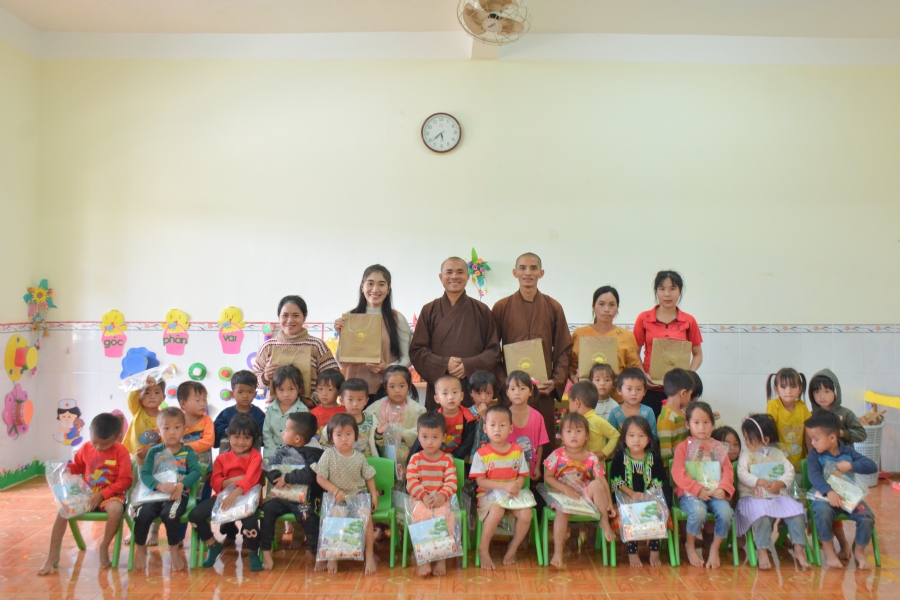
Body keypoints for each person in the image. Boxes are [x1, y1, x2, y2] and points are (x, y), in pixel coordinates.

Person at [493, 253, 573, 452]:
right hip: (511, 391)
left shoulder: (553, 307)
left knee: (542, 443)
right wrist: (504, 383)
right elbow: (492, 349)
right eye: (522, 268)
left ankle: (543, 481)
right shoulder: (501, 307)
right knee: (508, 441)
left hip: (542, 391)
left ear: (541, 273)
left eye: (533, 268)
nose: (528, 273)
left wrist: (555, 381)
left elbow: (563, 349)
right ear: (515, 272)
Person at [38, 414, 133, 575]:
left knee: (116, 510)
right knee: (62, 512)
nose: (99, 448)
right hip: (87, 495)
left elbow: (125, 480)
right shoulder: (86, 448)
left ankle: (104, 546)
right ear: (89, 432)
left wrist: (103, 494)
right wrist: (66, 470)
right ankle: (52, 555)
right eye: (95, 442)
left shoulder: (121, 451)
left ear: (117, 437)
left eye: (105, 444)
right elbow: (78, 466)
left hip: (111, 495)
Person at [410, 257, 501, 410]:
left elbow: (493, 351)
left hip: (471, 388)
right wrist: (444, 364)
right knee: (437, 431)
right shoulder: (429, 310)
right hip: (440, 388)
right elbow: (417, 351)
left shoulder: (482, 310)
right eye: (449, 272)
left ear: (467, 276)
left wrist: (468, 365)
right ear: (441, 277)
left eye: (460, 272)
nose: (454, 276)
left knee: (471, 430)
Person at [189, 414, 264, 571]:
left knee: (250, 523)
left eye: (246, 438)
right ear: (228, 436)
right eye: (236, 437)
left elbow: (250, 480)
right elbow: (216, 482)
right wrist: (236, 480)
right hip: (224, 497)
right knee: (195, 516)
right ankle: (212, 545)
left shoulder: (255, 457)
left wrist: (234, 491)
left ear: (253, 439)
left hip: (248, 498)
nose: (241, 442)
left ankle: (253, 553)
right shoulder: (222, 459)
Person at [131, 407, 202, 572]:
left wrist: (182, 485)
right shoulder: (154, 452)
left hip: (178, 495)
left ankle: (174, 547)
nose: (172, 432)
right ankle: (140, 548)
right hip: (154, 495)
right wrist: (159, 485)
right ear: (159, 430)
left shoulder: (187, 451)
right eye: (166, 428)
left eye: (177, 427)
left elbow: (196, 472)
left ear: (184, 429)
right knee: (142, 514)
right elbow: (146, 474)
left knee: (170, 515)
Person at [735, 414, 809, 570]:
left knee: (797, 513)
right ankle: (762, 550)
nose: (746, 443)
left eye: (750, 439)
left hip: (777, 495)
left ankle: (799, 548)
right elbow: (742, 473)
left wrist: (780, 483)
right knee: (761, 516)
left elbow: (789, 471)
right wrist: (758, 481)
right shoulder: (746, 455)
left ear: (766, 440)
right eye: (745, 439)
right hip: (754, 497)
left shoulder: (778, 454)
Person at [805, 411, 877, 570]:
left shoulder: (848, 453)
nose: (813, 443)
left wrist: (851, 465)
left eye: (816, 439)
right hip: (824, 498)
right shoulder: (814, 455)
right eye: (811, 439)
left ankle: (859, 552)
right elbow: (814, 476)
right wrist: (829, 492)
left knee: (867, 516)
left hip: (848, 498)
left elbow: (872, 466)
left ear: (832, 438)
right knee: (822, 514)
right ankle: (829, 553)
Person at [544, 412, 616, 568]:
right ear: (561, 435)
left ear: (587, 435)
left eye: (578, 431)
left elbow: (602, 481)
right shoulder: (557, 455)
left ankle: (604, 521)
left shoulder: (592, 458)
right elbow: (548, 477)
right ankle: (558, 551)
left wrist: (609, 503)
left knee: (596, 484)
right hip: (563, 495)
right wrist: (564, 488)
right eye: (568, 431)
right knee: (562, 512)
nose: (574, 435)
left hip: (583, 496)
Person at [334, 265, 412, 403]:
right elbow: (343, 363)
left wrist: (387, 368)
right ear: (362, 287)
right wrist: (343, 336)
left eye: (381, 284)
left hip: (387, 392)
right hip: (355, 395)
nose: (375, 290)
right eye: (370, 283)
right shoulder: (350, 318)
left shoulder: (397, 318)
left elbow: (407, 358)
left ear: (388, 289)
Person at [313, 413, 379, 574]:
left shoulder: (360, 458)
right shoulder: (328, 455)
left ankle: (368, 555)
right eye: (339, 435)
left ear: (355, 436)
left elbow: (369, 478)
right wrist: (335, 490)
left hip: (358, 496)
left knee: (366, 517)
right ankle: (332, 556)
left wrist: (374, 496)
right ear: (331, 437)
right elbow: (320, 478)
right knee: (336, 516)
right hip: (336, 497)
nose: (344, 439)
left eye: (348, 434)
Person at [672, 402, 735, 569]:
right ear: (688, 424)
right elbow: (678, 473)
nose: (701, 427)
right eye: (696, 423)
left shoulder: (718, 447)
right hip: (690, 494)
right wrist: (697, 489)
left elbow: (727, 469)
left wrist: (723, 488)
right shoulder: (683, 448)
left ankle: (715, 548)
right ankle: (690, 545)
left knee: (726, 513)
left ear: (712, 424)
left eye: (706, 422)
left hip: (715, 493)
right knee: (698, 513)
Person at [633, 271, 703, 418]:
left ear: (680, 291)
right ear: (656, 291)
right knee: (649, 431)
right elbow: (634, 352)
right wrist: (643, 375)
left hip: (679, 391)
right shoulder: (643, 318)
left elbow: (698, 354)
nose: (667, 294)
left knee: (677, 432)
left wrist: (689, 376)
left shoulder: (689, 321)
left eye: (672, 289)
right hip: (649, 387)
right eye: (662, 289)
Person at [469, 405, 532, 570]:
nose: (497, 429)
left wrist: (516, 486)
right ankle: (483, 548)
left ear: (511, 428)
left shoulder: (517, 451)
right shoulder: (481, 454)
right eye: (492, 425)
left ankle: (513, 547)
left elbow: (522, 474)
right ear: (485, 428)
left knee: (526, 514)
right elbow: (481, 482)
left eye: (502, 425)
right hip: (488, 494)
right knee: (497, 510)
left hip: (512, 493)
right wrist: (504, 486)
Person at [260, 412, 324, 570]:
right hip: (282, 498)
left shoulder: (315, 454)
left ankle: (319, 553)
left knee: (308, 516)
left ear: (297, 438)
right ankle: (267, 552)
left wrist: (288, 477)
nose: (283, 433)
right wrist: (278, 478)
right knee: (267, 509)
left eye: (286, 430)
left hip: (305, 500)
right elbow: (269, 467)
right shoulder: (283, 451)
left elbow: (310, 473)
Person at [253, 295, 340, 408]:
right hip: (275, 413)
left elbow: (334, 378)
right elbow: (251, 383)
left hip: (309, 413)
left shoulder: (316, 345)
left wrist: (314, 399)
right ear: (279, 317)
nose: (289, 320)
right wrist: (264, 377)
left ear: (304, 316)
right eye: (285, 315)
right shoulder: (268, 346)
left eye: (295, 315)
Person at [609, 416, 671, 567]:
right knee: (631, 513)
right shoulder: (619, 458)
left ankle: (655, 551)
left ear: (649, 439)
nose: (636, 440)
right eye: (631, 435)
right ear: (624, 438)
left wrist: (647, 496)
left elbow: (659, 481)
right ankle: (632, 552)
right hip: (626, 498)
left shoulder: (654, 458)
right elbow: (616, 481)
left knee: (657, 511)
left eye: (641, 435)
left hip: (649, 497)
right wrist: (632, 494)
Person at [406, 412, 459, 578]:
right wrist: (423, 495)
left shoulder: (447, 460)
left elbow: (451, 482)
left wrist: (442, 496)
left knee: (443, 517)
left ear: (443, 437)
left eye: (435, 437)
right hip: (420, 499)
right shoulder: (415, 459)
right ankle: (425, 559)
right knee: (422, 515)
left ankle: (441, 558)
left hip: (440, 499)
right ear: (418, 437)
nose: (429, 442)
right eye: (425, 437)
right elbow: (411, 482)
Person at [569, 285, 642, 403]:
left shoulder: (626, 336)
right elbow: (570, 366)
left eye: (612, 305)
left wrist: (621, 378)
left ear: (617, 307)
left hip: (619, 400)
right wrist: (574, 379)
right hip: (586, 399)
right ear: (593, 307)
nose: (606, 309)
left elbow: (634, 368)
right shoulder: (580, 334)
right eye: (601, 304)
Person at [366, 365, 426, 474]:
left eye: (402, 386)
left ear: (409, 387)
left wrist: (402, 435)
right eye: (392, 386)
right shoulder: (373, 410)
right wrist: (378, 432)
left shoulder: (418, 411)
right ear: (385, 388)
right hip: (381, 454)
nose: (397, 390)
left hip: (407, 456)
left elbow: (421, 433)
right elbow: (368, 429)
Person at [408, 375, 478, 462]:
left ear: (462, 396)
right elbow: (421, 440)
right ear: (437, 399)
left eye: (455, 392)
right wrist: (410, 460)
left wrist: (454, 456)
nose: (450, 397)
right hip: (434, 457)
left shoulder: (468, 418)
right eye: (445, 393)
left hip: (457, 459)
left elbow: (467, 442)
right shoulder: (432, 418)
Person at [506, 371, 551, 479]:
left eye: (522, 388)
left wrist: (537, 467)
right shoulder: (503, 417)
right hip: (508, 471)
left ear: (530, 391)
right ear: (507, 393)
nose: (517, 392)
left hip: (531, 470)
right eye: (512, 389)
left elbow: (541, 444)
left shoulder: (537, 417)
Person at [765, 367, 810, 472]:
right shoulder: (774, 405)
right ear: (776, 389)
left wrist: (811, 452)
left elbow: (808, 432)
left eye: (793, 386)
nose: (789, 391)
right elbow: (769, 430)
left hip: (800, 458)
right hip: (779, 459)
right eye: (784, 387)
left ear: (800, 388)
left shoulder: (802, 406)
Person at [321, 378, 380, 456]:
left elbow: (379, 442)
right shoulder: (338, 420)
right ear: (342, 401)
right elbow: (325, 440)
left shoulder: (372, 419)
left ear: (366, 401)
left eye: (359, 399)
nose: (355, 404)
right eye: (350, 399)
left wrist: (380, 433)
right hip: (344, 463)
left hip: (368, 463)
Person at [809, 369, 866, 443]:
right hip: (819, 454)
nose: (822, 396)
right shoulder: (811, 415)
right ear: (811, 394)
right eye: (817, 392)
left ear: (836, 392)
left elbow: (862, 434)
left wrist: (842, 433)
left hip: (844, 454)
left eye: (827, 391)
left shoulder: (846, 413)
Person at [262, 365, 308, 458]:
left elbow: (302, 437)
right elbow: (267, 433)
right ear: (275, 390)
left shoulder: (303, 411)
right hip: (271, 455)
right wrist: (273, 452)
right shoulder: (271, 409)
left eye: (291, 389)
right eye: (281, 390)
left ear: (299, 388)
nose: (286, 394)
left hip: (293, 457)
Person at [567, 380, 619, 461]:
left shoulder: (598, 421)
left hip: (595, 470)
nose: (568, 406)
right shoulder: (571, 422)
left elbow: (615, 435)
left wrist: (603, 453)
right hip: (576, 467)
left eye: (569, 402)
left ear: (577, 403)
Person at [215, 370, 266, 451]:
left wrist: (250, 431)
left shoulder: (258, 414)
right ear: (232, 394)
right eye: (240, 392)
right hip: (228, 456)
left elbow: (264, 432)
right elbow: (217, 430)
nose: (245, 396)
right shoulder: (226, 413)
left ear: (255, 394)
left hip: (252, 457)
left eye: (249, 392)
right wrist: (230, 430)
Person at [123, 377, 165, 464]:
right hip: (135, 457)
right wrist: (141, 385)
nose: (152, 396)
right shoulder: (137, 410)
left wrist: (150, 449)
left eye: (157, 392)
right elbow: (131, 398)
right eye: (147, 392)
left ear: (164, 397)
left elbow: (165, 440)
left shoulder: (165, 417)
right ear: (140, 397)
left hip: (156, 460)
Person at [607, 367, 657, 439]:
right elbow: (610, 437)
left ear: (645, 391)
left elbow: (654, 436)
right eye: (629, 389)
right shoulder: (615, 413)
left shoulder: (648, 411)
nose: (634, 393)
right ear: (619, 391)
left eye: (638, 389)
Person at [657, 368, 692, 466]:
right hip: (674, 468)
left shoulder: (681, 412)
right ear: (683, 393)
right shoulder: (666, 417)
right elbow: (665, 450)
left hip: (685, 464)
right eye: (690, 395)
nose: (690, 399)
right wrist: (669, 468)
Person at [469, 370, 499, 455]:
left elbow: (496, 433)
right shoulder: (466, 412)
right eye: (479, 393)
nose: (483, 398)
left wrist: (484, 415)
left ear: (493, 394)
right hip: (470, 455)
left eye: (488, 393)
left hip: (490, 455)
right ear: (471, 393)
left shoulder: (496, 413)